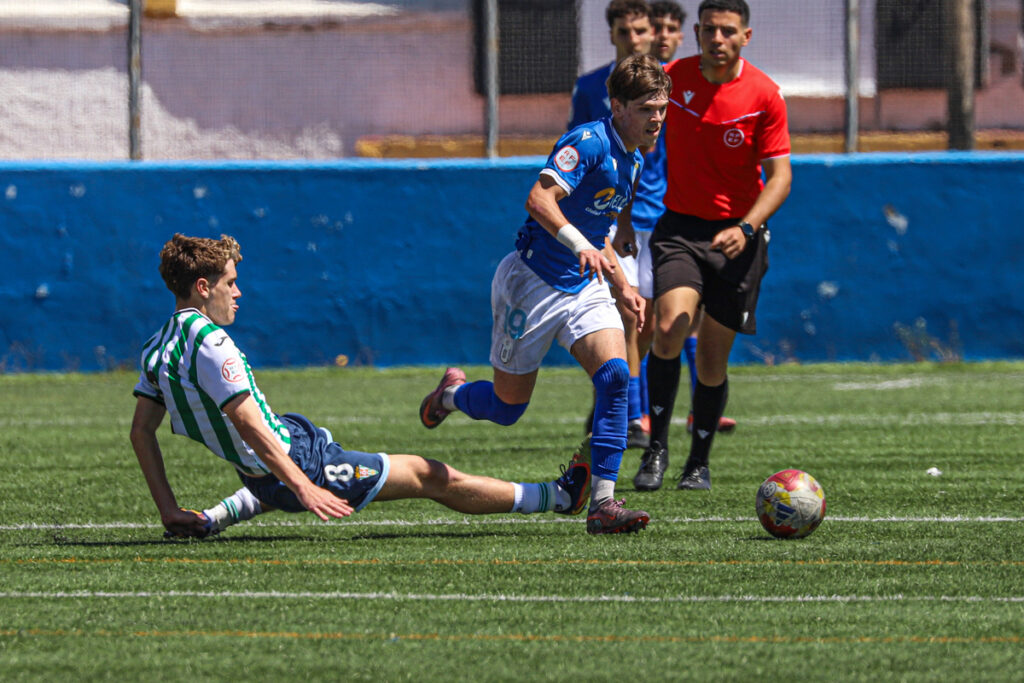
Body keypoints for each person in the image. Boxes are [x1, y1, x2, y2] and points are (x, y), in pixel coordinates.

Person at [130, 234, 592, 540]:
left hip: (276, 464)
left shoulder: (156, 347)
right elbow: (250, 427)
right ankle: (560, 496)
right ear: (204, 286)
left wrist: (168, 509)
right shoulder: (211, 342)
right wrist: (305, 487)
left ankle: (212, 518)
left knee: (270, 480)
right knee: (430, 476)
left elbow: (141, 433)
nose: (239, 292)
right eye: (231, 283)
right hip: (297, 465)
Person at [419, 54, 671, 535]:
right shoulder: (588, 142)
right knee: (507, 408)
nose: (656, 118)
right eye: (645, 108)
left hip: (584, 287)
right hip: (531, 284)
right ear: (617, 106)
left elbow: (605, 225)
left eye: (661, 107)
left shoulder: (636, 156)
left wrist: (623, 284)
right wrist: (582, 244)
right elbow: (538, 200)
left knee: (616, 378)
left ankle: (602, 502)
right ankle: (450, 396)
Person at [636, 0, 791, 491]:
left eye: (727, 31)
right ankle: (655, 451)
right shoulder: (671, 79)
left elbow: (781, 178)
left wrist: (746, 228)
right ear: (697, 33)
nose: (717, 39)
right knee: (667, 328)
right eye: (709, 30)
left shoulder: (765, 94)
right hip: (680, 229)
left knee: (710, 360)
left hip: (738, 238)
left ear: (745, 36)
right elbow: (634, 137)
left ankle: (698, 461)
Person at [567, 0, 653, 131]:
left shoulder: (674, 78)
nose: (633, 40)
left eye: (640, 31)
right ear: (612, 36)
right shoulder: (587, 87)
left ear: (652, 33)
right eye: (623, 32)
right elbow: (577, 141)